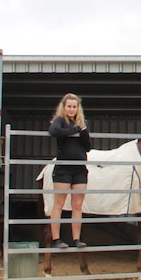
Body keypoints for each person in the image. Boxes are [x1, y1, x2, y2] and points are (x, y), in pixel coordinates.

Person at [48, 93, 91, 248]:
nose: (72, 109)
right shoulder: (60, 121)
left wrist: (83, 132)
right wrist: (74, 130)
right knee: (58, 204)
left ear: (78, 108)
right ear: (64, 107)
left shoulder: (82, 122)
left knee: (78, 205)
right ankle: (56, 239)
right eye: (69, 106)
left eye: (74, 107)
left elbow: (88, 147)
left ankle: (76, 239)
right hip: (63, 168)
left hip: (80, 168)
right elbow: (53, 131)